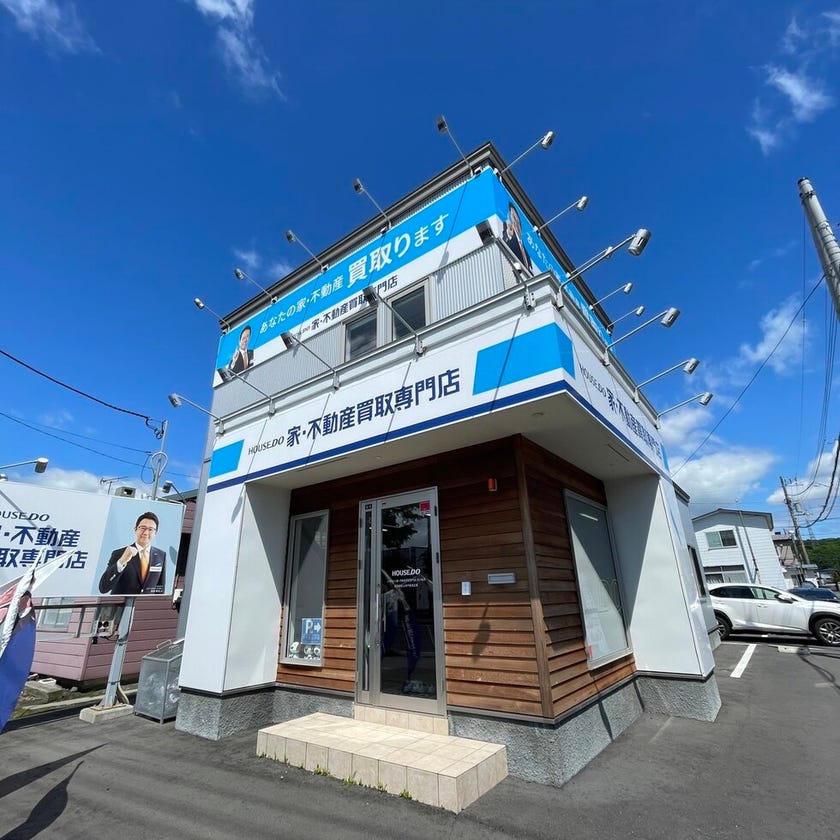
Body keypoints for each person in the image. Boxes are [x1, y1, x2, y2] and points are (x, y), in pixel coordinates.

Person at [98, 512, 166, 595]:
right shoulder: (119, 553)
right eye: (143, 528)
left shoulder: (161, 555)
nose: (145, 533)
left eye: (150, 529)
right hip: (122, 603)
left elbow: (160, 589)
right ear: (135, 529)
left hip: (146, 603)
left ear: (155, 533)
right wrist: (121, 561)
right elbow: (103, 588)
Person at [502, 202, 532, 271]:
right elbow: (502, 249)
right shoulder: (509, 240)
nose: (515, 222)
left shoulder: (527, 254)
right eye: (512, 219)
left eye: (516, 218)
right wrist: (508, 234)